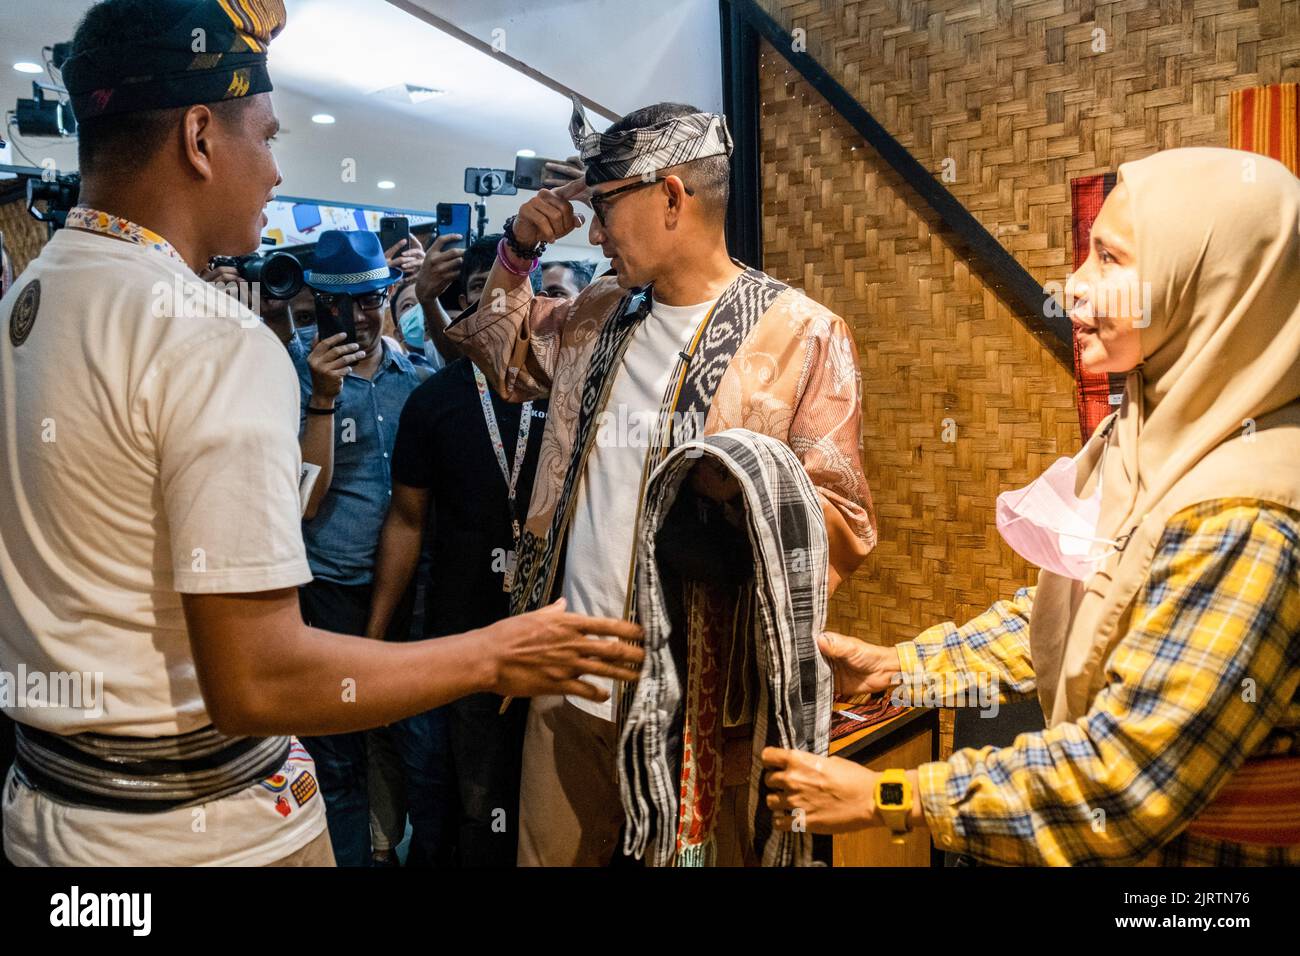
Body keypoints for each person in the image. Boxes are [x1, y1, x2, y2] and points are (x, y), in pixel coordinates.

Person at [0, 0, 642, 868]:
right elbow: (258, 679)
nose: (271, 173)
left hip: (53, 816)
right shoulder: (206, 336)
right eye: (264, 138)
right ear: (199, 137)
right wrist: (495, 653)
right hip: (201, 837)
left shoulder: (28, 303)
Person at [762, 147, 1300, 866]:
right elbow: (1087, 606)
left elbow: (1123, 782)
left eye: (1110, 260)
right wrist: (899, 667)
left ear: (1208, 284)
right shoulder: (1151, 433)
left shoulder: (1245, 515)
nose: (1074, 287)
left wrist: (891, 799)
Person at [445, 96, 877, 866]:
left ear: (671, 195)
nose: (596, 230)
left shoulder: (802, 334)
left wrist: (732, 489)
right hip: (568, 679)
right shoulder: (598, 313)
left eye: (606, 206)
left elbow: (842, 521)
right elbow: (503, 361)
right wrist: (515, 251)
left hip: (704, 700)